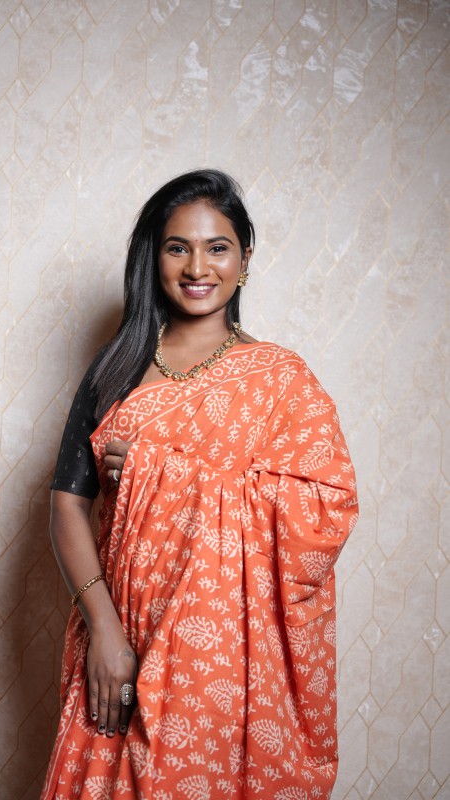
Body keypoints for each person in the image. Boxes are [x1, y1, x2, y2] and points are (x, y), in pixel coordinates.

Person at [41, 169, 358, 800]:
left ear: (245, 258)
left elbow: (327, 509)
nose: (197, 267)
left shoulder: (280, 379)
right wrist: (103, 628)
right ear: (153, 257)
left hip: (224, 664)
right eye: (177, 247)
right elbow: (67, 505)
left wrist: (165, 472)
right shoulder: (116, 368)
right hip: (121, 633)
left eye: (217, 248)